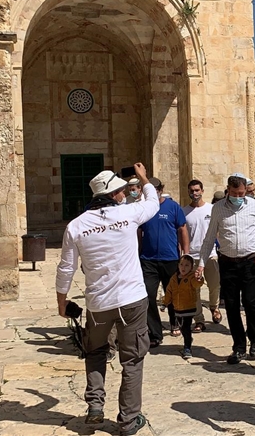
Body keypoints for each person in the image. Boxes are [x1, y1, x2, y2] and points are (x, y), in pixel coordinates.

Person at [56, 163, 157, 436]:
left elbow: (66, 268)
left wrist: (62, 302)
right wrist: (144, 177)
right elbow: (153, 202)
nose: (124, 193)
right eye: (121, 190)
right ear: (112, 194)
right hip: (132, 299)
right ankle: (129, 420)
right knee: (132, 359)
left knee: (95, 352)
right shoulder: (128, 214)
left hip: (99, 303)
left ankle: (95, 407)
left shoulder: (76, 226)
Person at [198, 173, 255, 364]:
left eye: (242, 194)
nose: (238, 197)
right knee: (231, 305)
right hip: (228, 263)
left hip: (250, 262)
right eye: (235, 193)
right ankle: (238, 346)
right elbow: (209, 239)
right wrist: (201, 263)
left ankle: (254, 338)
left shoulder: (254, 206)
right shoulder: (218, 209)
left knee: (251, 302)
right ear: (228, 190)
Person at [139, 178, 189, 342]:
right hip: (148, 260)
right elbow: (139, 232)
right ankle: (155, 332)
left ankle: (175, 322)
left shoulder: (173, 207)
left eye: (156, 190)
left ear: (161, 190)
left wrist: (186, 254)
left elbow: (182, 229)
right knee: (148, 295)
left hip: (170, 259)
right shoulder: (143, 209)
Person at [183, 180, 222, 328]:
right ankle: (199, 319)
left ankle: (214, 307)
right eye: (192, 191)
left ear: (202, 191)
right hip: (192, 255)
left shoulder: (211, 209)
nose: (195, 193)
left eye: (197, 190)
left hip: (210, 254)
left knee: (214, 285)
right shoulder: (184, 212)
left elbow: (218, 231)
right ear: (188, 192)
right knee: (194, 289)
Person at [163, 255, 205, 360]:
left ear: (191, 267)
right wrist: (165, 303)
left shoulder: (191, 277)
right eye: (181, 264)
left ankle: (187, 347)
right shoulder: (174, 278)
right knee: (181, 327)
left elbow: (197, 284)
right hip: (177, 309)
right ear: (178, 265)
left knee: (186, 327)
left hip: (189, 308)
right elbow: (169, 291)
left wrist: (199, 278)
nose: (183, 267)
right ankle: (188, 338)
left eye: (187, 265)